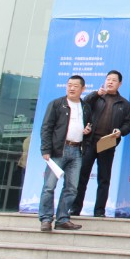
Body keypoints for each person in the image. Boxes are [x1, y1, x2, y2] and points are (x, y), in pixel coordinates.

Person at [71, 70, 130, 217]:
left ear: (120, 84)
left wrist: (120, 131)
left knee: (104, 179)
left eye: (114, 80)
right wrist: (96, 94)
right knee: (82, 176)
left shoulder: (124, 104)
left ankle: (99, 211)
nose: (110, 82)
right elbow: (83, 105)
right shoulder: (96, 98)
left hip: (107, 143)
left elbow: (128, 123)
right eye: (108, 79)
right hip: (90, 142)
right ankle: (75, 208)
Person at [38, 75, 91, 231]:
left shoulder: (85, 107)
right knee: (49, 186)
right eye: (69, 85)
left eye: (75, 86)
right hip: (58, 150)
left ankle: (62, 219)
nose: (71, 88)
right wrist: (46, 149)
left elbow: (89, 126)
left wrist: (87, 131)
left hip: (77, 151)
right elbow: (46, 127)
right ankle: (46, 219)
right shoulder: (56, 104)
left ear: (83, 89)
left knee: (71, 188)